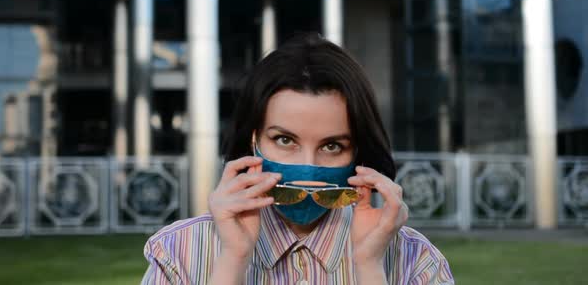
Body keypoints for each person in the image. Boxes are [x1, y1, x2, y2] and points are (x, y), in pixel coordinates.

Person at [141, 32, 454, 284]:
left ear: (358, 150)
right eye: (285, 140)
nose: (309, 167)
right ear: (254, 140)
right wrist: (233, 260)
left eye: (332, 146)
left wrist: (369, 266)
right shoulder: (178, 252)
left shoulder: (416, 260)